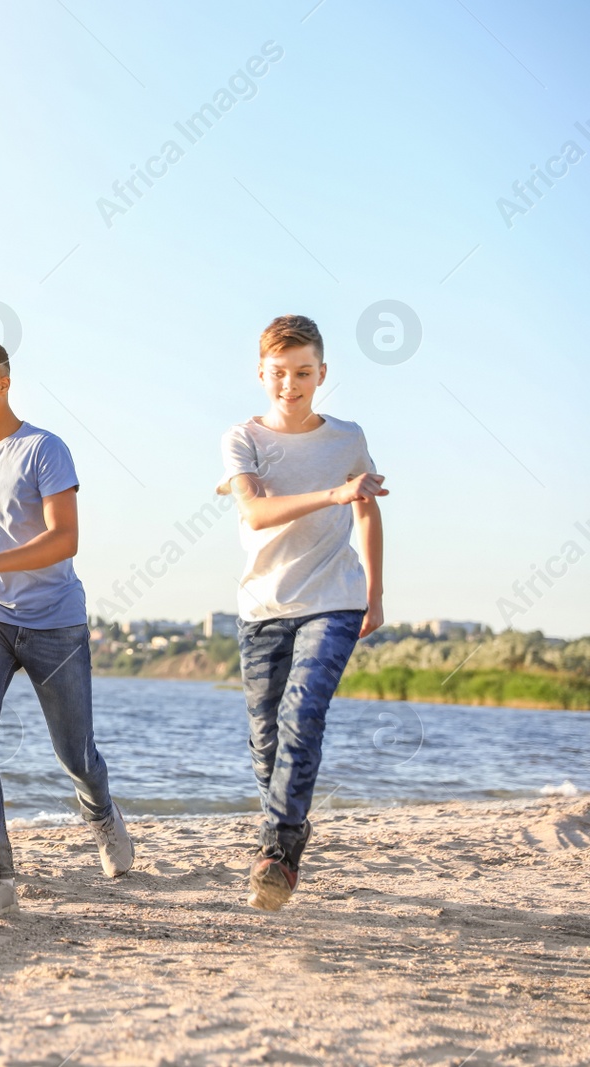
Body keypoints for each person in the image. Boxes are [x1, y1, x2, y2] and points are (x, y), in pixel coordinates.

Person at [0, 338, 133, 918]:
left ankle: (101, 814)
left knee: (75, 754)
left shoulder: (45, 450)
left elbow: (64, 539)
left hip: (56, 622)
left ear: (3, 383)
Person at [217, 314, 385, 911]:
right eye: (281, 373)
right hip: (262, 604)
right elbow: (257, 514)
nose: (292, 384)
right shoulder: (243, 439)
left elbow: (367, 511)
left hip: (333, 598)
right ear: (262, 373)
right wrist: (338, 492)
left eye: (304, 373)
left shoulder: (347, 437)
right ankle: (290, 830)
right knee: (265, 739)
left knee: (302, 714)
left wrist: (375, 589)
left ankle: (278, 849)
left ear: (322, 373)